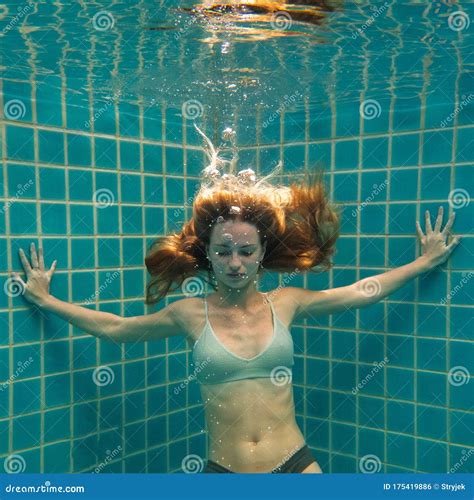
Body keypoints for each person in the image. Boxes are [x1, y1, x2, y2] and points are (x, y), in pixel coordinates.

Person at [12, 126, 461, 474]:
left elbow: (361, 293)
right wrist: (46, 301)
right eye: (223, 250)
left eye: (246, 251)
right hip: (224, 470)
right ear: (205, 254)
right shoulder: (190, 314)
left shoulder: (287, 302)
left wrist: (423, 263)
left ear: (263, 254)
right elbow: (118, 330)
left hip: (297, 465)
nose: (234, 262)